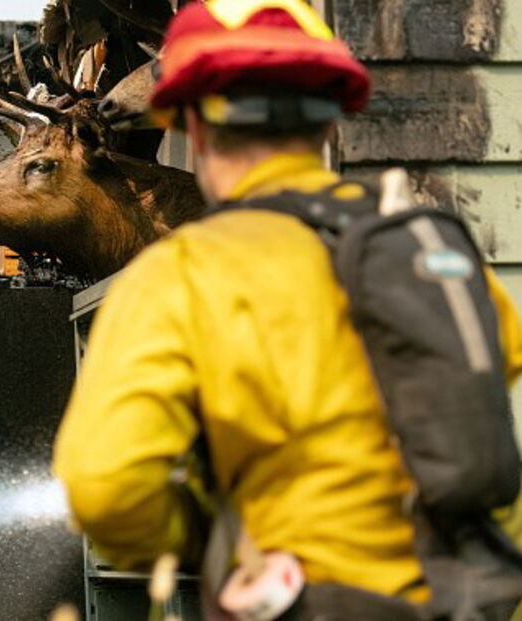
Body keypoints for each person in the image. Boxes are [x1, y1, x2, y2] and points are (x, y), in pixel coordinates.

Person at [53, 0, 522, 618]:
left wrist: (214, 542)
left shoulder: (183, 276)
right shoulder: (433, 247)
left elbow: (104, 490)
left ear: (196, 126)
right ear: (328, 121)